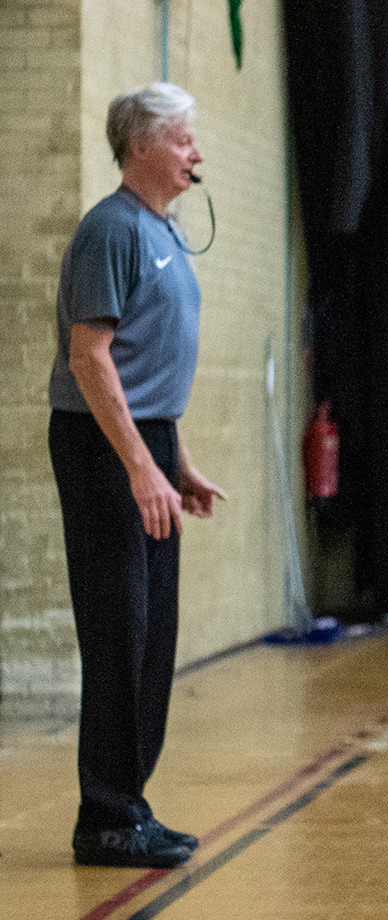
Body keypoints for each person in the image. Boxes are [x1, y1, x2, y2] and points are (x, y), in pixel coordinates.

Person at [48, 83, 227, 869]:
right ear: (144, 145)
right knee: (119, 629)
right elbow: (91, 358)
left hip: (143, 441)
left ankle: (129, 805)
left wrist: (174, 463)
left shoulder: (164, 232)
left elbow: (148, 367)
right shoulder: (112, 230)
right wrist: (138, 468)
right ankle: (106, 817)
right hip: (101, 448)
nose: (196, 154)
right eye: (184, 140)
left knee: (153, 636)